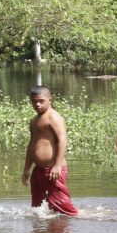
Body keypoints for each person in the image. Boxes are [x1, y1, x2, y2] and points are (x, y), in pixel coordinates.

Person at [22, 86, 80, 216]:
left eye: (41, 101)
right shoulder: (33, 121)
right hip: (38, 171)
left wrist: (57, 165)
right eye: (34, 101)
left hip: (53, 170)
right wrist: (27, 169)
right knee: (38, 209)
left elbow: (62, 140)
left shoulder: (53, 117)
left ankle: (85, 218)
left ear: (50, 100)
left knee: (64, 208)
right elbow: (32, 145)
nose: (37, 104)